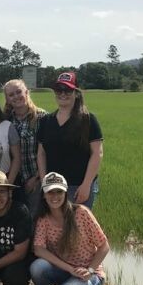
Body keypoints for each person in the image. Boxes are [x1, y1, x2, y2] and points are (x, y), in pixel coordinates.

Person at [30, 172, 109, 285]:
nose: (55, 196)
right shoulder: (43, 219)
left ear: (66, 192)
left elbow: (104, 246)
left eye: (59, 191)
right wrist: (70, 269)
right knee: (37, 267)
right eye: (50, 192)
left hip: (88, 271)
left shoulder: (81, 213)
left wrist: (90, 270)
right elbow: (39, 249)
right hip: (65, 269)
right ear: (44, 195)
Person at [36, 72, 103, 210]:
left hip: (78, 187)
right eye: (59, 90)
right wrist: (44, 183)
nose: (63, 93)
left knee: (78, 229)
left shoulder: (88, 120)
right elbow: (41, 153)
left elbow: (97, 153)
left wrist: (86, 185)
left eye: (68, 90)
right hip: (53, 187)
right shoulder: (46, 121)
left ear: (76, 93)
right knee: (56, 228)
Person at [4, 78, 47, 213]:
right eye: (11, 95)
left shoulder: (42, 117)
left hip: (35, 179)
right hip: (13, 179)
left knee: (35, 217)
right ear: (7, 99)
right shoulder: (6, 120)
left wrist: (36, 178)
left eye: (18, 92)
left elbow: (48, 152)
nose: (16, 96)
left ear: (26, 92)